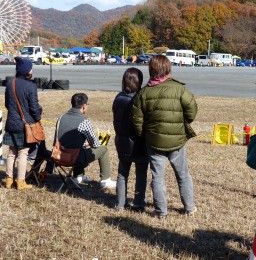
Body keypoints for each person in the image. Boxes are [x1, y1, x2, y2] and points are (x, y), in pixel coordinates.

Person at [132, 55, 197, 218]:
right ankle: (190, 207)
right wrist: (181, 124)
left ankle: (161, 211)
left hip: (153, 142)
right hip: (177, 141)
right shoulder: (180, 89)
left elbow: (137, 120)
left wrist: (146, 136)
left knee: (157, 178)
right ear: (168, 68)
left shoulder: (144, 92)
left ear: (151, 70)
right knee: (183, 174)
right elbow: (192, 110)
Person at [56, 93, 116, 188]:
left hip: (58, 156)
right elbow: (95, 144)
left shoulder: (61, 117)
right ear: (84, 106)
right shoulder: (84, 121)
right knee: (103, 149)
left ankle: (78, 176)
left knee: (78, 146)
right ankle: (106, 179)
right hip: (74, 158)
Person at [113, 68, 148, 211]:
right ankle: (139, 202)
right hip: (138, 142)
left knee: (122, 173)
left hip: (122, 140)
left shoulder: (118, 98)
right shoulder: (138, 100)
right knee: (141, 173)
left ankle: (120, 203)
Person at [3, 57, 42, 190]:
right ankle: (20, 181)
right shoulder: (31, 86)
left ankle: (8, 180)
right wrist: (37, 118)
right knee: (23, 153)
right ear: (26, 71)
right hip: (24, 125)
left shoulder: (10, 83)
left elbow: (7, 104)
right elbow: (34, 108)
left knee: (11, 152)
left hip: (11, 122)